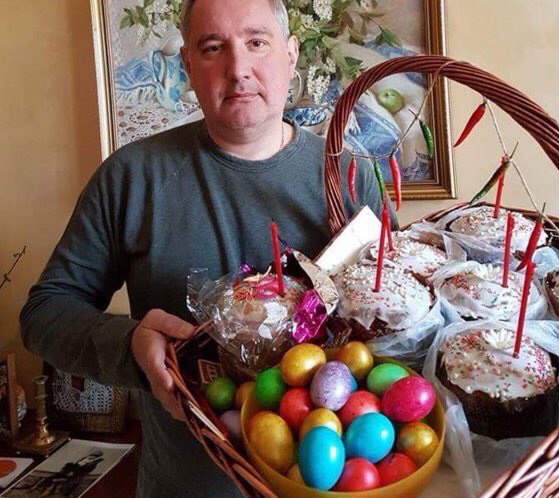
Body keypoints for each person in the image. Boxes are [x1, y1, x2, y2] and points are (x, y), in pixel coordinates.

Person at [20, 0, 386, 496]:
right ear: (188, 66)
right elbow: (44, 313)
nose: (238, 69)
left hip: (338, 485)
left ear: (291, 55)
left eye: (257, 42)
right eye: (213, 48)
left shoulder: (352, 179)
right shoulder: (131, 177)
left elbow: (397, 334)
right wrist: (129, 346)